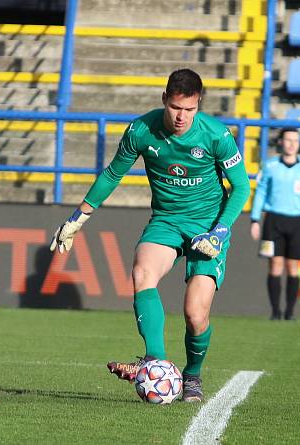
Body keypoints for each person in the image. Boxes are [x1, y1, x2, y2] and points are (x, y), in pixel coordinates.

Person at [49, 69, 251, 403]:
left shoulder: (216, 135)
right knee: (142, 272)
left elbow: (241, 187)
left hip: (209, 225)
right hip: (167, 221)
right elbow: (113, 174)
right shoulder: (141, 130)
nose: (181, 117)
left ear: (198, 104)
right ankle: (154, 359)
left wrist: (220, 232)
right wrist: (78, 217)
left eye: (189, 109)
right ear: (164, 101)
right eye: (175, 108)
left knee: (195, 315)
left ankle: (193, 376)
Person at [250, 127, 300, 321]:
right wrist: (255, 219)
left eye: (295, 141)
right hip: (273, 221)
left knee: (294, 267)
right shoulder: (270, 166)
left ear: (299, 144)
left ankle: (290, 311)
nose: (292, 144)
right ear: (281, 142)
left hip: (298, 221)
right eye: (288, 140)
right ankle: (275, 311)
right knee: (275, 265)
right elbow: (260, 192)